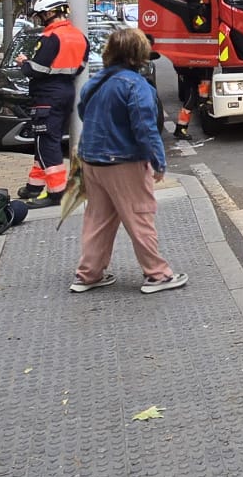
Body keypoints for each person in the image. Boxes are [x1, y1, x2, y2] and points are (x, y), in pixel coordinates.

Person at [70, 26, 186, 294]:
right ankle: (157, 275)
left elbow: (84, 112)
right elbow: (145, 128)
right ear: (139, 54)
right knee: (139, 216)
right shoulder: (136, 85)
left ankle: (88, 275)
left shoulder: (95, 81)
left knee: (97, 219)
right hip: (123, 161)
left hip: (91, 159)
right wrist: (157, 161)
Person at [16, 0, 88, 207]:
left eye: (40, 16)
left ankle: (56, 193)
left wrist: (24, 62)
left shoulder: (50, 38)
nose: (39, 20)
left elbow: (36, 70)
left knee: (47, 143)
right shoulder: (78, 36)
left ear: (49, 13)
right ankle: (34, 187)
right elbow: (80, 67)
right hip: (66, 91)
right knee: (46, 141)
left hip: (47, 93)